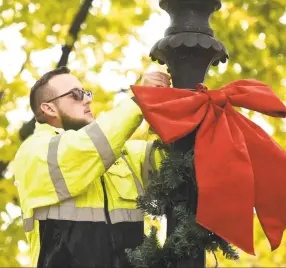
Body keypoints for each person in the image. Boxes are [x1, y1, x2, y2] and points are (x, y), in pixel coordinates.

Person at [13, 66, 171, 268]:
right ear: (49, 108)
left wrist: (169, 109)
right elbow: (86, 147)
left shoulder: (123, 156)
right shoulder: (35, 152)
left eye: (86, 93)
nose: (87, 100)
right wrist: (140, 99)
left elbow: (175, 164)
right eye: (76, 95)